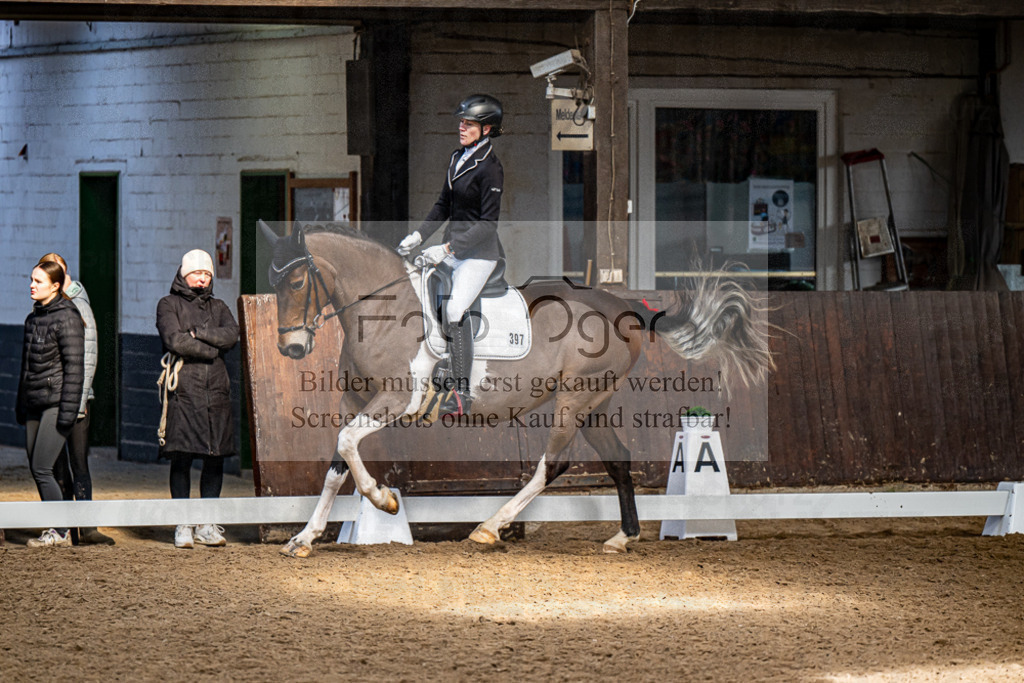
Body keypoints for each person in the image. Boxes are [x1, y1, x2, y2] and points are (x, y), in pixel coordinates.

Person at [396, 93, 505, 416]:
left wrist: (445, 249)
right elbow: (443, 204)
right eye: (461, 122)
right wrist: (418, 235)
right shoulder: (457, 157)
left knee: (455, 309)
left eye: (469, 124)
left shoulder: (491, 169)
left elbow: (488, 225)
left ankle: (461, 392)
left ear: (486, 130)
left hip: (479, 255)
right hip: (451, 247)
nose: (462, 127)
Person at [156, 249, 239, 549]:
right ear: (183, 274)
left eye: (207, 273)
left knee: (214, 458)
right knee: (182, 456)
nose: (202, 278)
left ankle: (206, 523)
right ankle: (183, 523)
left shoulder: (219, 307)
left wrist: (199, 333)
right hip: (184, 390)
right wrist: (212, 349)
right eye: (197, 273)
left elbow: (232, 333)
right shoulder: (168, 304)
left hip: (216, 389)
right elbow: (174, 340)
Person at [37, 253, 115, 546]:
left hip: (74, 400)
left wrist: (78, 400)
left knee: (77, 462)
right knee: (57, 464)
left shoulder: (78, 306)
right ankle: (64, 527)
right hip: (52, 400)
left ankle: (85, 528)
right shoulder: (48, 306)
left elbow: (88, 358)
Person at [16, 260, 85, 547]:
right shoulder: (33, 318)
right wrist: (21, 404)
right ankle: (56, 528)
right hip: (34, 402)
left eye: (39, 281)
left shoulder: (67, 317)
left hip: (56, 403)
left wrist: (68, 413)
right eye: (31, 279)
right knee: (36, 466)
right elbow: (26, 368)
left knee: (43, 467)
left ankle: (60, 530)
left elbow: (75, 369)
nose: (32, 285)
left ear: (55, 286)